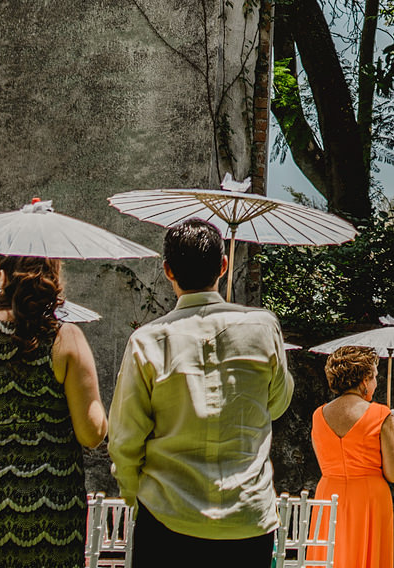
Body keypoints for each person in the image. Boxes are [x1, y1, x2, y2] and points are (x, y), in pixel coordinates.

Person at [108, 219, 294, 567]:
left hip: (167, 514)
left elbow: (124, 437)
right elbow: (278, 403)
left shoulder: (147, 341)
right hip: (247, 518)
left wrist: (136, 496)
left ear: (167, 271)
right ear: (223, 266)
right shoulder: (264, 327)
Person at [0, 255, 107, 568]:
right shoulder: (66, 338)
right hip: (48, 509)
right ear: (53, 277)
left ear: (1, 277)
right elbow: (91, 434)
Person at [313, 346, 394, 568]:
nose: (376, 384)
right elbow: (393, 473)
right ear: (364, 380)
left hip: (328, 495)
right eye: (375, 378)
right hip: (369, 499)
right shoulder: (381, 414)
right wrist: (393, 429)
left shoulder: (318, 415)